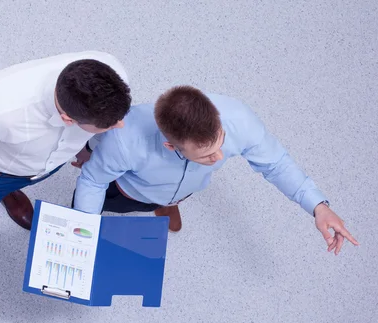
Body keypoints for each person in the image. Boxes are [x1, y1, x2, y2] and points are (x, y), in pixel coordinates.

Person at [73, 85, 358, 255]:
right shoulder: (125, 140)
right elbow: (93, 182)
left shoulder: (239, 119)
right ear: (172, 147)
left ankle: (168, 204)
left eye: (220, 143)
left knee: (180, 192)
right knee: (115, 204)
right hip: (129, 192)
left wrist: (319, 206)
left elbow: (276, 163)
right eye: (207, 156)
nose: (219, 157)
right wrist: (84, 229)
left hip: (185, 190)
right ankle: (160, 202)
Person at [0, 51, 131, 273]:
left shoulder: (114, 77)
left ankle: (10, 192)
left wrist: (89, 147)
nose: (121, 126)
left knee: (25, 179)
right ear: (68, 120)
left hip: (44, 165)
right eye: (109, 126)